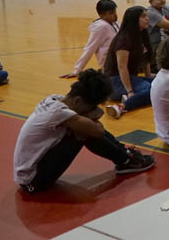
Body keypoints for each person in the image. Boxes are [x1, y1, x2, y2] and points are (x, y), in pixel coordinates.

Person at [13, 69, 154, 193]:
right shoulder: (59, 113)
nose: (90, 111)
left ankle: (125, 156)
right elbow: (98, 131)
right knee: (83, 132)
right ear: (78, 101)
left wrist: (90, 115)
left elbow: (97, 116)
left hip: (31, 173)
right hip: (33, 181)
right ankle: (125, 160)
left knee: (84, 127)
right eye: (89, 108)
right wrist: (92, 118)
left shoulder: (55, 99)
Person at [102, 6, 154, 119]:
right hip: (114, 81)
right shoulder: (124, 39)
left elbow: (146, 58)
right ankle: (122, 106)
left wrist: (149, 76)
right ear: (134, 20)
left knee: (159, 83)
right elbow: (122, 67)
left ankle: (129, 98)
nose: (147, 19)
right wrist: (129, 90)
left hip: (130, 78)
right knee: (153, 90)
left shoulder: (142, 34)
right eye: (143, 16)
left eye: (147, 16)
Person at [61, 0, 119, 78]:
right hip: (110, 62)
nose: (115, 15)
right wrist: (77, 70)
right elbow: (90, 48)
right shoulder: (101, 27)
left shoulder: (116, 23)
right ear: (102, 15)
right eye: (111, 13)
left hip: (118, 58)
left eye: (115, 11)